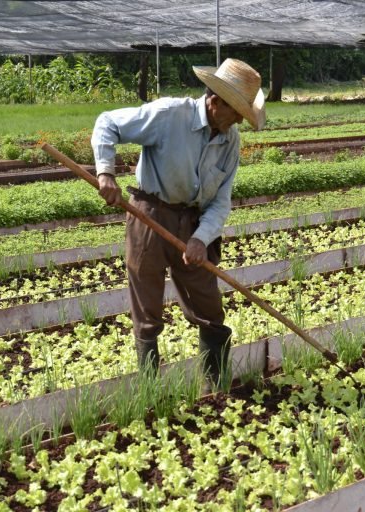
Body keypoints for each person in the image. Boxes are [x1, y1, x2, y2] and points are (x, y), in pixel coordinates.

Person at [91, 58, 265, 387]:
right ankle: (150, 387)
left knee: (208, 304)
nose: (239, 121)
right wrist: (105, 173)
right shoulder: (170, 115)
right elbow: (107, 123)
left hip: (193, 222)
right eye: (237, 113)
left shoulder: (230, 141)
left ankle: (215, 383)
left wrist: (201, 238)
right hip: (150, 214)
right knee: (147, 304)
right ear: (215, 103)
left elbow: (220, 200)